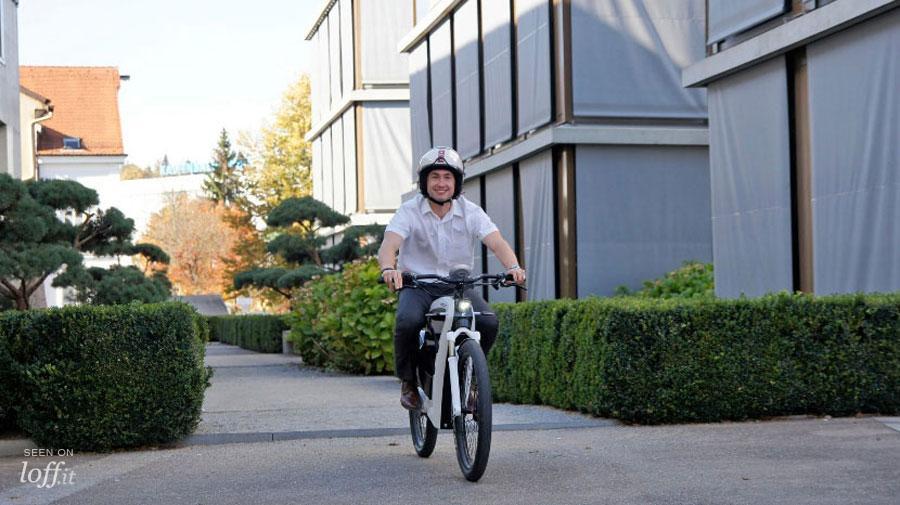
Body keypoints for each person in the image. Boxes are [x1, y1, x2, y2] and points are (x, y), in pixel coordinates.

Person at [378, 147, 526, 411]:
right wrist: (389, 268)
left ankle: (470, 376)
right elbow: (390, 244)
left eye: (448, 177)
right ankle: (409, 382)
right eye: (435, 176)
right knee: (408, 321)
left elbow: (496, 242)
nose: (441, 183)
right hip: (418, 285)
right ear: (425, 182)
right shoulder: (409, 211)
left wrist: (513, 266)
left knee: (488, 322)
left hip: (458, 286)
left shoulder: (471, 211)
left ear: (457, 182)